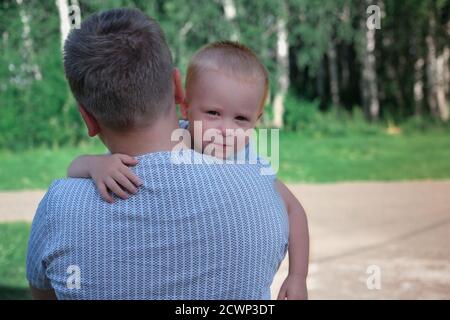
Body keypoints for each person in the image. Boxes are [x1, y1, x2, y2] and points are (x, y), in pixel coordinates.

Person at [26, 8, 291, 300]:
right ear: (179, 89)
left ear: (87, 118)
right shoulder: (260, 185)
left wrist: (90, 164)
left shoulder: (59, 209)